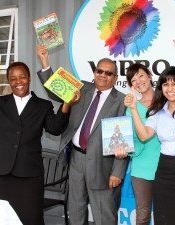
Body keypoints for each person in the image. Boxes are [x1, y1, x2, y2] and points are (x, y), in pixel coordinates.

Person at [0, 62, 80, 225]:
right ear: (8, 81)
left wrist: (66, 105)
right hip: (0, 174)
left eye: (22, 77)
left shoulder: (43, 105)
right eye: (13, 78)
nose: (18, 82)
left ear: (29, 79)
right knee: (2, 219)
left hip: (29, 174)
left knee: (31, 219)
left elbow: (55, 128)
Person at [36, 45, 128, 225]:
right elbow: (54, 89)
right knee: (76, 210)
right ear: (94, 73)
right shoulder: (81, 88)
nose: (103, 75)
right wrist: (45, 60)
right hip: (76, 159)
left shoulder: (121, 101)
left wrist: (117, 172)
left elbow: (121, 141)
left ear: (115, 78)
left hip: (103, 165)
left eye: (108, 73)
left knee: (105, 215)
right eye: (99, 70)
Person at [114, 40, 175, 225]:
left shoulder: (168, 96)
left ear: (149, 75)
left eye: (140, 76)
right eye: (133, 80)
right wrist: (122, 150)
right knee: (143, 215)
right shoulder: (131, 107)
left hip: (169, 167)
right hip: (142, 168)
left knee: (173, 214)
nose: (138, 82)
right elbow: (127, 139)